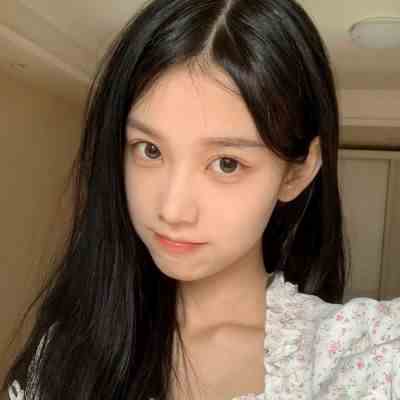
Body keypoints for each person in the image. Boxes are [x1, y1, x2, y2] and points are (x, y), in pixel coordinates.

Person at [1, 0, 399, 399]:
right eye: (150, 150)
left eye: (227, 163)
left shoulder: (360, 355)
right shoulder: (66, 351)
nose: (172, 210)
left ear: (296, 173)